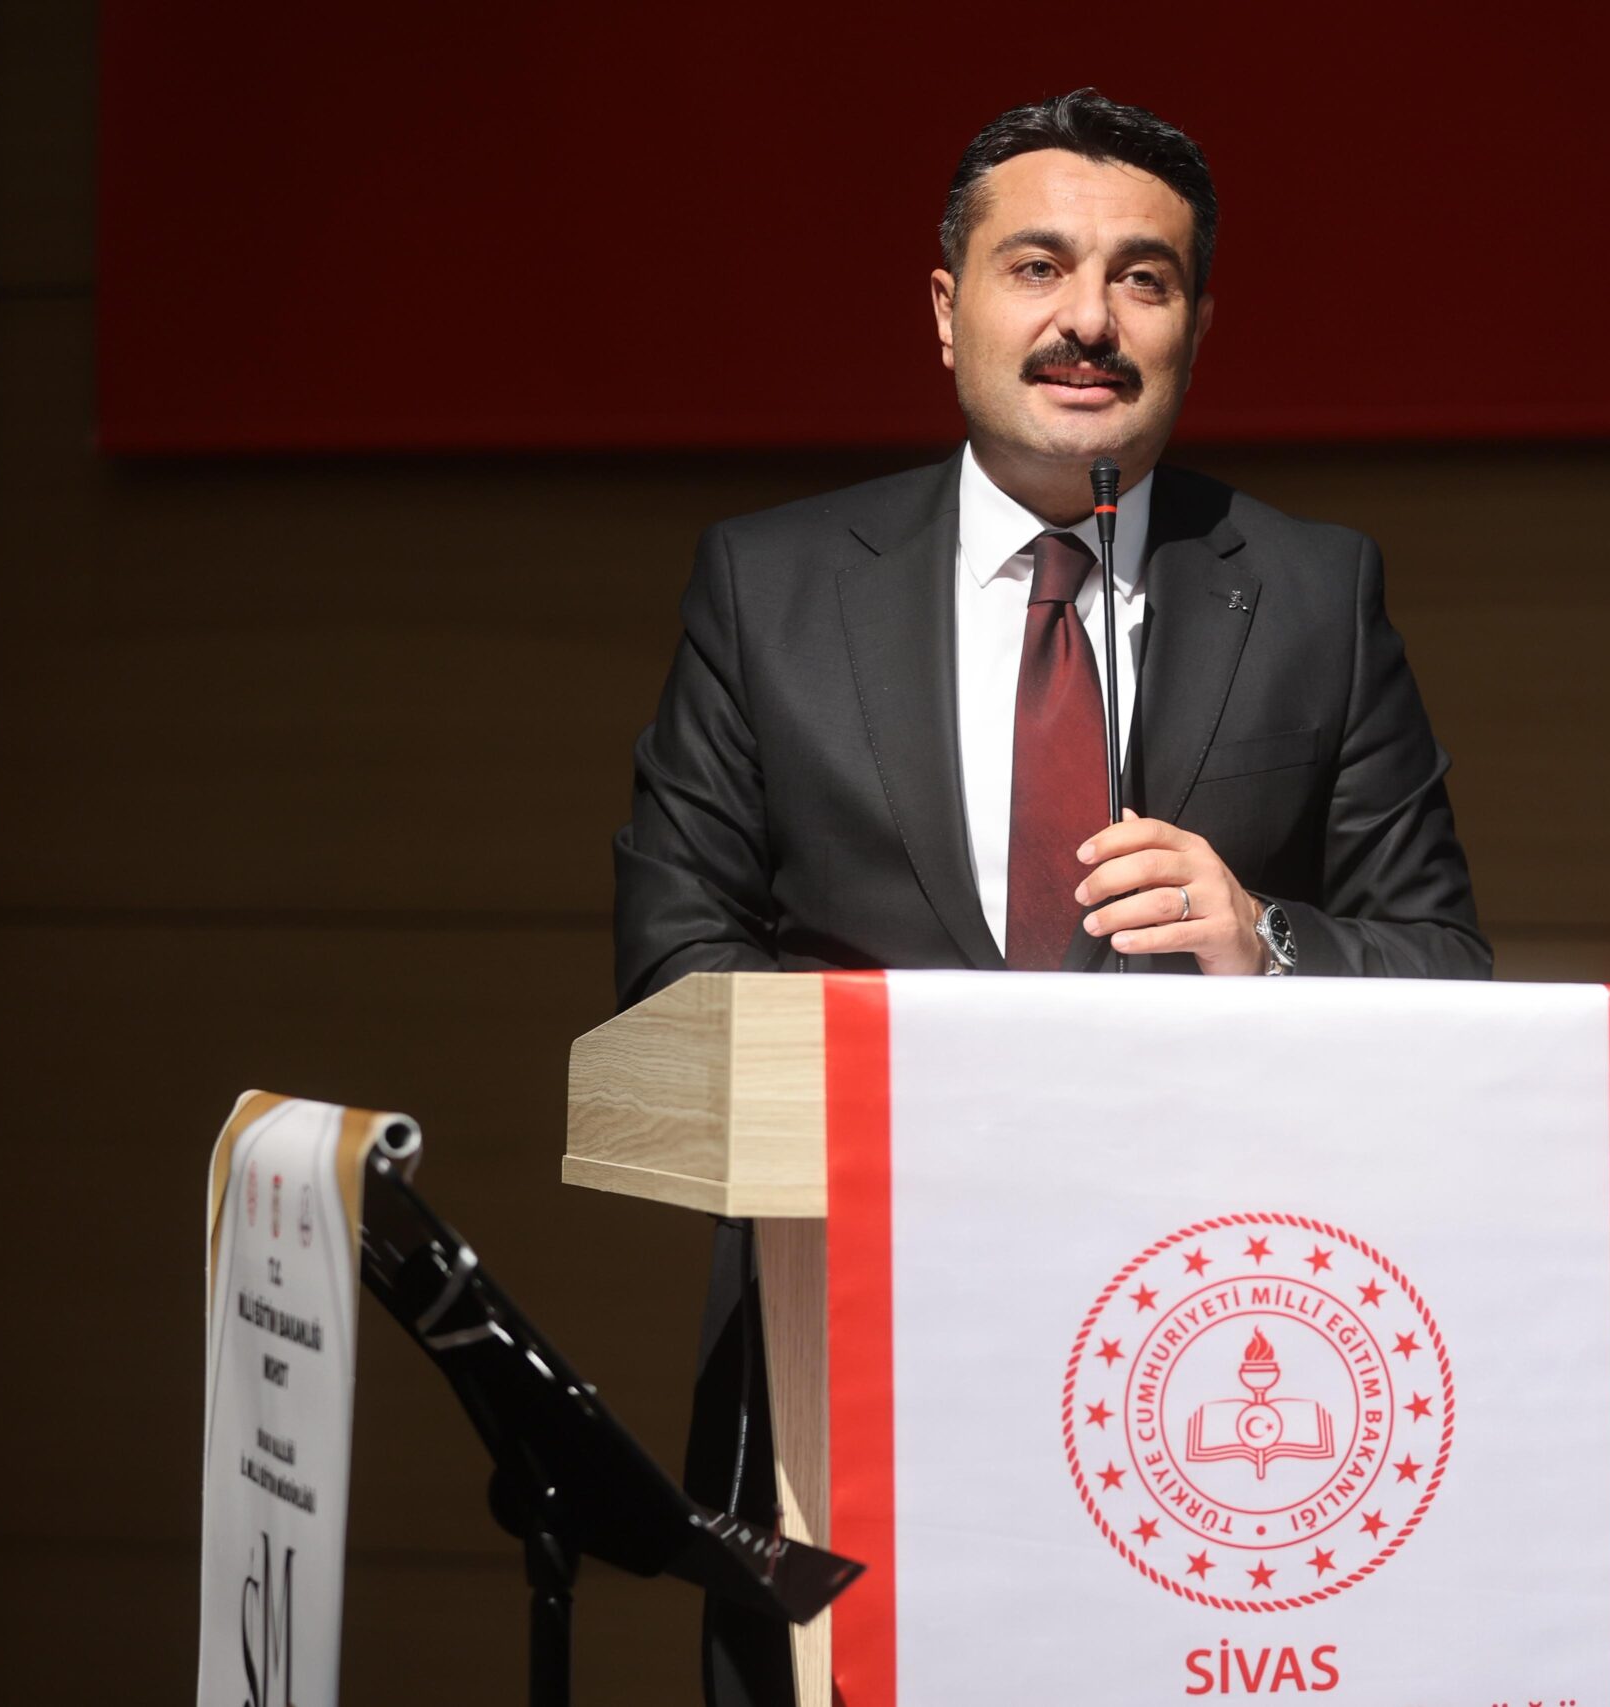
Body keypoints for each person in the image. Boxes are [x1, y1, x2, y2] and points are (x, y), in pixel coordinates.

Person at [611, 89, 1488, 1706]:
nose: (1089, 318)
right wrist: (917, 1088)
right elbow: (673, 967)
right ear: (950, 309)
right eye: (1038, 267)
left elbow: (1446, 967)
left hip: (1191, 1383)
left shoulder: (1314, 593)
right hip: (842, 1355)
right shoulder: (769, 585)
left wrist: (1264, 943)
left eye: (1143, 279)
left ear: (1197, 325)